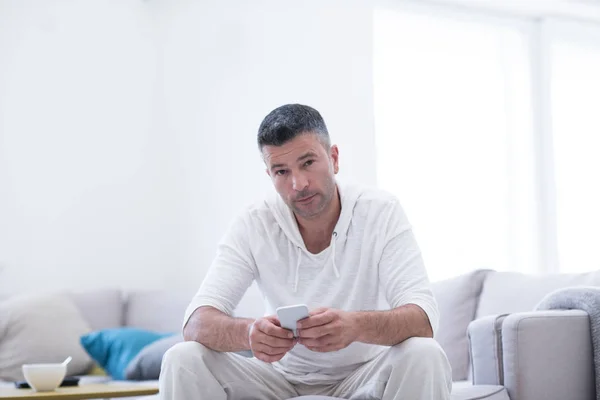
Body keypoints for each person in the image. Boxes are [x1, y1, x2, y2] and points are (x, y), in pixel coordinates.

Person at [159, 104, 452, 400]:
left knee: (425, 353)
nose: (298, 184)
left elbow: (423, 319)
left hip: (364, 375)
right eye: (281, 171)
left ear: (333, 158)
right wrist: (248, 333)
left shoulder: (381, 211)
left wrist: (355, 326)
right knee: (182, 358)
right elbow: (196, 323)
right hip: (278, 380)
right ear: (269, 175)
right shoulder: (254, 222)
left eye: (308, 162)